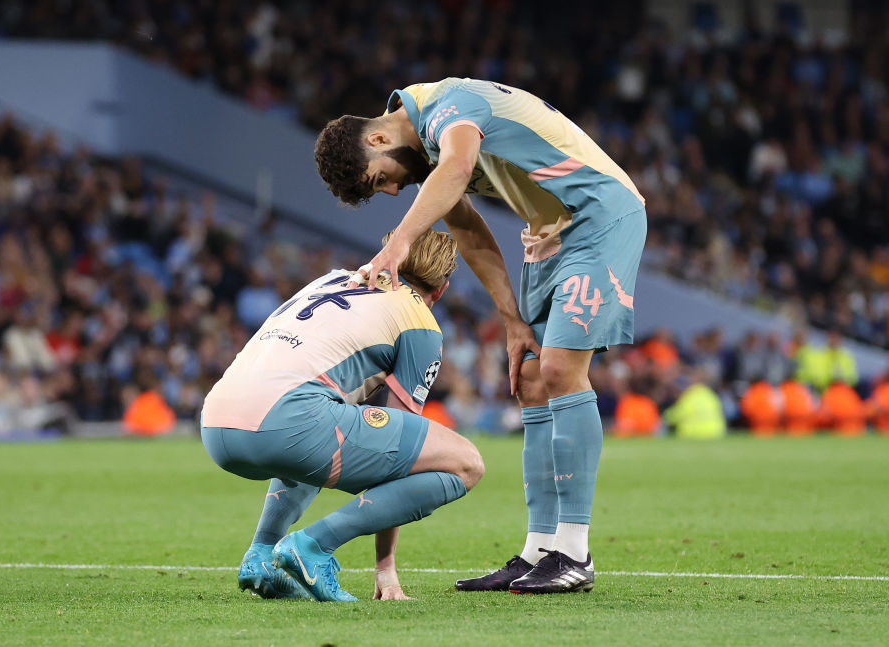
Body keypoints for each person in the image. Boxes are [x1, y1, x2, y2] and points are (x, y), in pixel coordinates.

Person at [315, 77, 646, 594]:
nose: (394, 190)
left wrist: (401, 242)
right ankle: (540, 551)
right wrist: (512, 320)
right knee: (531, 378)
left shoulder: (453, 106)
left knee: (561, 369)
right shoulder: (432, 147)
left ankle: (574, 553)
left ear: (378, 140)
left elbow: (460, 167)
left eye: (380, 180)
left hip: (599, 215)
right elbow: (467, 230)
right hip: (546, 233)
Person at [200, 229, 483, 602]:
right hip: (283, 423)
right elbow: (401, 458)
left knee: (333, 415)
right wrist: (386, 568)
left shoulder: (333, 278)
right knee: (466, 464)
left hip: (215, 420)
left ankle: (261, 554)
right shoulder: (420, 323)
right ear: (442, 289)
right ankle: (313, 546)